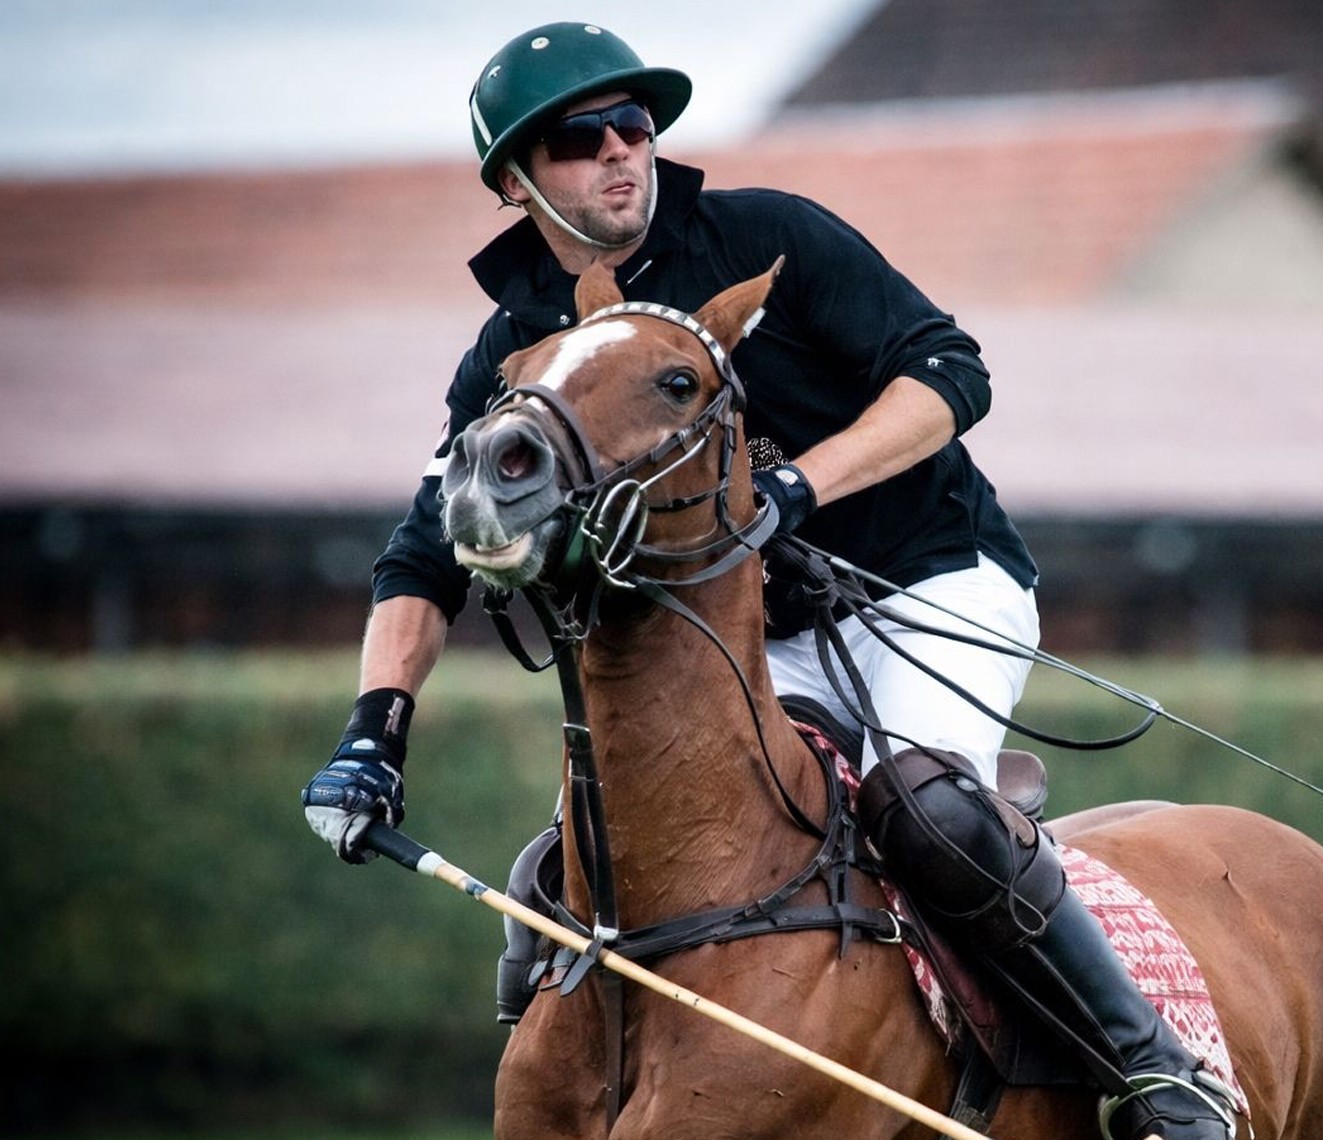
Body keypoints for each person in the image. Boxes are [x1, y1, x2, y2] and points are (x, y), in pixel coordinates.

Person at [299, 22, 1232, 1140]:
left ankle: (1156, 1073)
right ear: (514, 181)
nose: (620, 150)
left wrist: (799, 488)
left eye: (633, 124)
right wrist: (374, 731)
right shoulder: (521, 347)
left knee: (930, 812)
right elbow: (424, 551)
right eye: (579, 139)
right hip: (752, 633)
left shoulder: (770, 235)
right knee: (564, 862)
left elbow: (951, 373)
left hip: (928, 585)